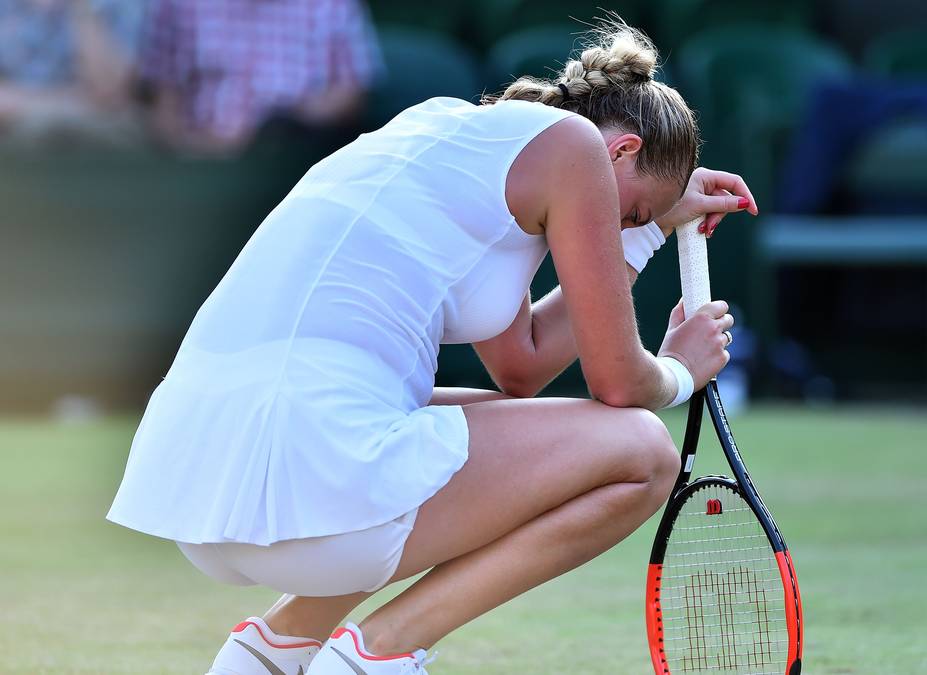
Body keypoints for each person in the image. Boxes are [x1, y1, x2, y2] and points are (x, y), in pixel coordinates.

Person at [107, 23, 757, 674]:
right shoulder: (576, 147)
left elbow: (522, 366)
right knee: (642, 451)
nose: (622, 229)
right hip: (307, 467)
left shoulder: (453, 134)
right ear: (622, 149)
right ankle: (380, 652)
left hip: (200, 484)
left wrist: (651, 230)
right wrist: (678, 368)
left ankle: (274, 649)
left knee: (497, 422)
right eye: (634, 214)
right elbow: (619, 383)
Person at [137, 0, 381, 155]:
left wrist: (290, 121)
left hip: (289, 165)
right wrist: (189, 151)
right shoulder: (179, 5)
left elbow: (351, 92)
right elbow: (163, 97)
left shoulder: (332, 5)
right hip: (201, 161)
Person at [0, 0, 143, 147]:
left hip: (95, 137)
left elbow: (111, 95)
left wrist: (82, 9)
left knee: (44, 128)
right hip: (23, 128)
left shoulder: (122, 5)